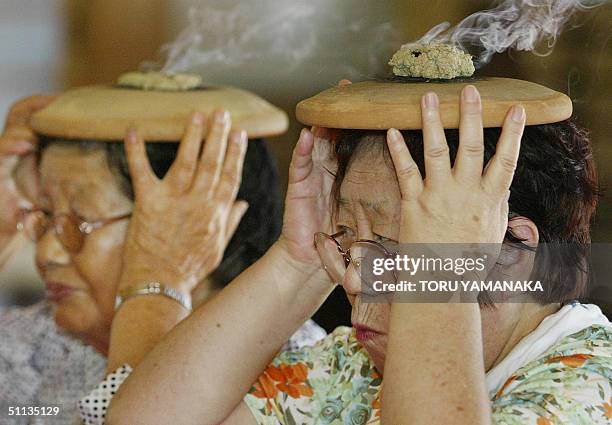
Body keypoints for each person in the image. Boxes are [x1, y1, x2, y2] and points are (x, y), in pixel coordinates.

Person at [90, 86, 609, 424]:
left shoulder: (588, 385)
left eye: (394, 248)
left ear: (512, 253)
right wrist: (300, 260)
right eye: (349, 240)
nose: (356, 280)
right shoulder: (354, 366)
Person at [0, 98, 324, 425]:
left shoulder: (298, 371)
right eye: (45, 216)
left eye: (80, 223)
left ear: (203, 225)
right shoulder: (38, 343)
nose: (46, 255)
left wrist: (153, 286)